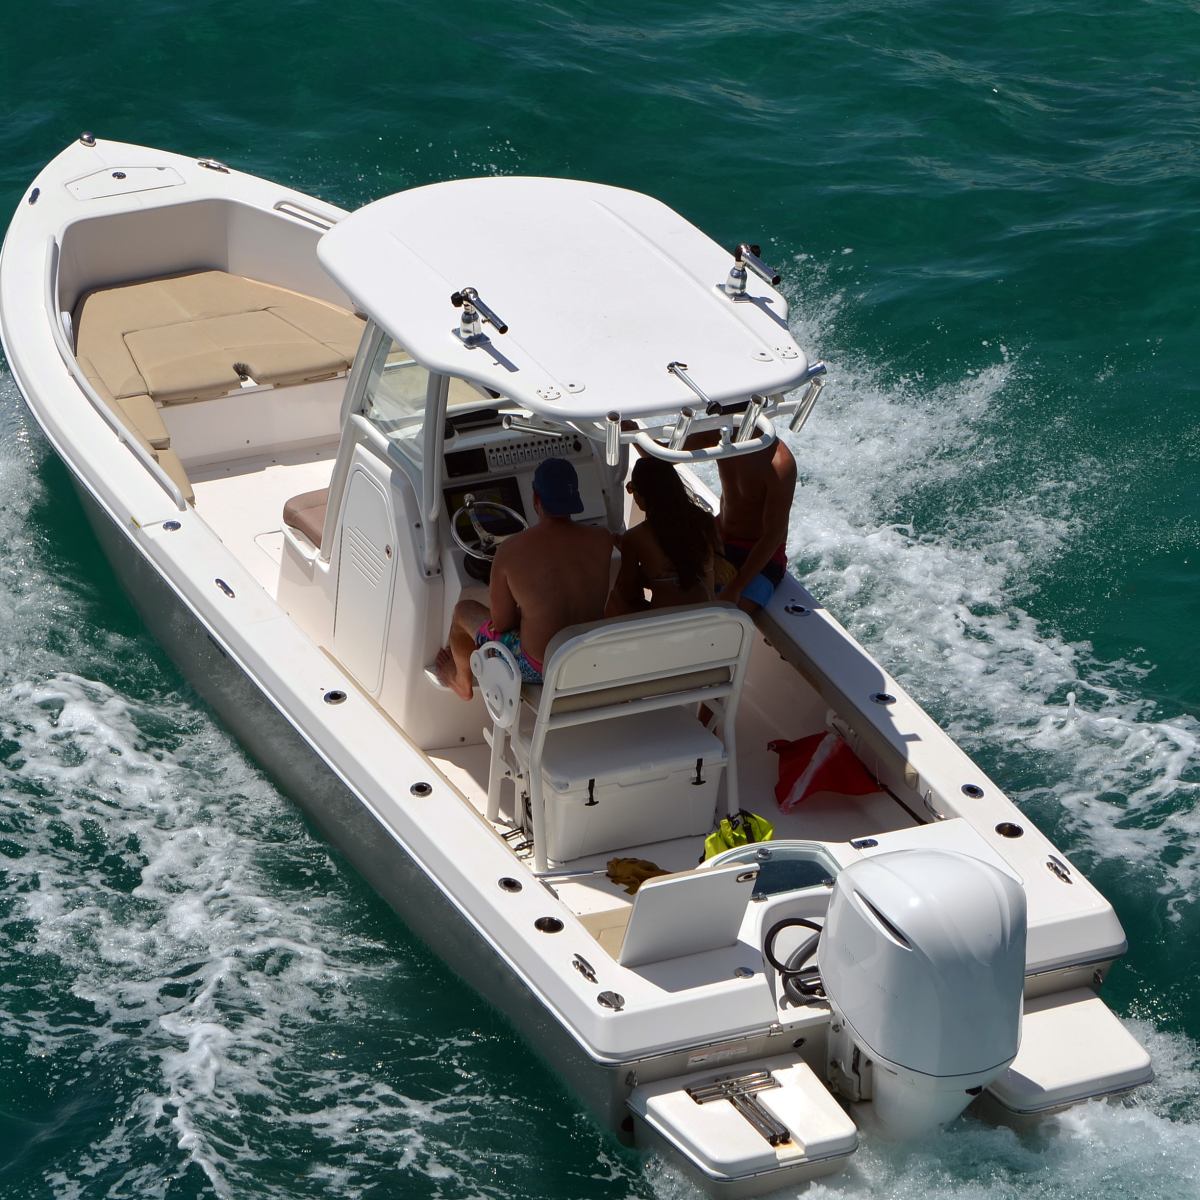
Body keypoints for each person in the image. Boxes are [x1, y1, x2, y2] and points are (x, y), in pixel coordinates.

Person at [435, 457, 614, 700]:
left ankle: (461, 681)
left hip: (538, 668)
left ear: (535, 498)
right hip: (585, 660)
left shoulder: (509, 550)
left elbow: (502, 625)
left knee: (463, 611)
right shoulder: (602, 539)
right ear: (576, 496)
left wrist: (531, 609)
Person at [686, 428, 797, 615]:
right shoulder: (721, 435)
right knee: (674, 588)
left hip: (762, 554)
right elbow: (664, 453)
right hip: (720, 538)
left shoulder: (780, 464)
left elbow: (773, 535)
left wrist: (735, 588)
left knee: (728, 616)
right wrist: (634, 433)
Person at [605, 456, 722, 616]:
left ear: (644, 494)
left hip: (668, 626)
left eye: (632, 488)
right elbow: (716, 572)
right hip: (708, 617)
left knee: (615, 599)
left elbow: (628, 595)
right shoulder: (706, 520)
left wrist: (627, 556)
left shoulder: (635, 537)